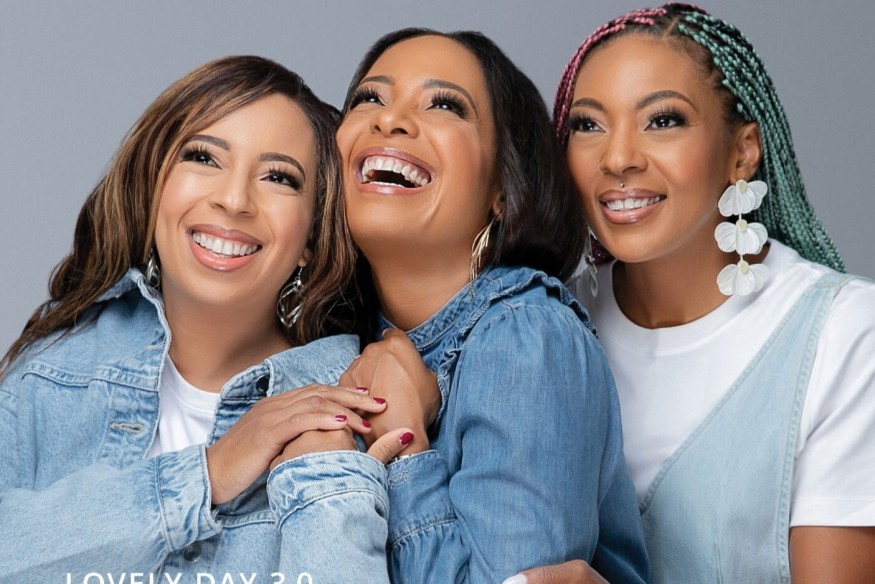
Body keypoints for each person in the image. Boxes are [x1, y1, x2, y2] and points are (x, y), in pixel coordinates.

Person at [0, 56, 419, 582]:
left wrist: (325, 475)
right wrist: (207, 474)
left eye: (278, 177)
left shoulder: (356, 404)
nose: (234, 200)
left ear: (311, 238)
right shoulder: (54, 376)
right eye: (204, 157)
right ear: (154, 187)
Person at [509, 3, 875, 583]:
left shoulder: (842, 333)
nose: (618, 158)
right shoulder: (539, 325)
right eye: (588, 125)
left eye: (662, 120)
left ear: (742, 152)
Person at [321, 28, 650, 583]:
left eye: (444, 105)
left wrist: (406, 451)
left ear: (502, 186)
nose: (390, 119)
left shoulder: (527, 337)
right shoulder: (330, 339)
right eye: (369, 98)